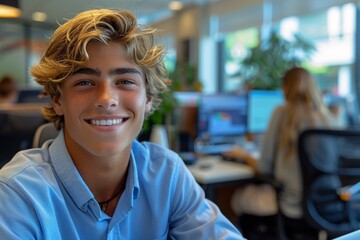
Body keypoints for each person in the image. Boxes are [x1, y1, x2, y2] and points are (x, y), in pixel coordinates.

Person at [0, 8, 243, 239]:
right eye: (84, 82)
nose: (106, 99)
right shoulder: (16, 194)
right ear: (57, 100)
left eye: (125, 81)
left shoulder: (166, 174)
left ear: (147, 99)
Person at [224, 67, 335, 239]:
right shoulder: (326, 118)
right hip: (324, 204)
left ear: (285, 88)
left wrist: (244, 155)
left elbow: (264, 167)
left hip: (290, 204)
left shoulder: (282, 113)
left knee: (236, 198)